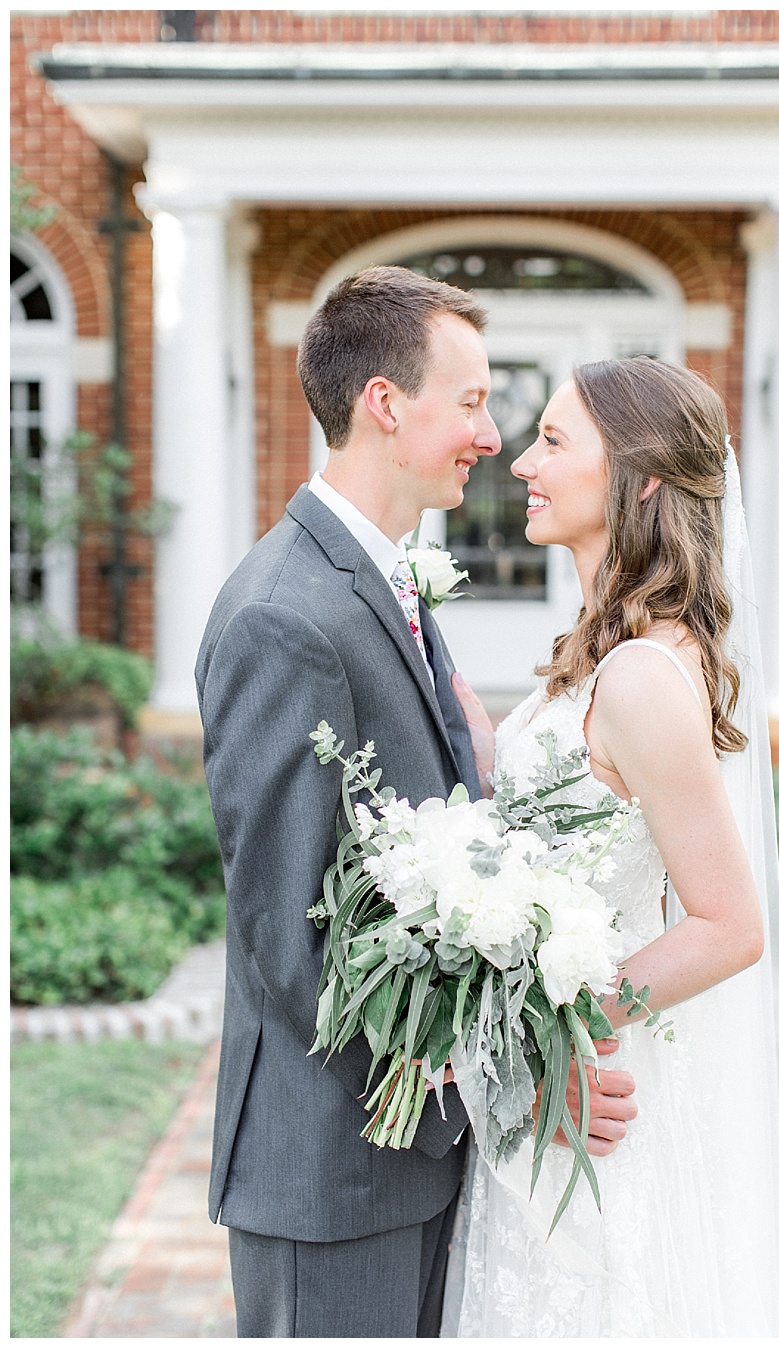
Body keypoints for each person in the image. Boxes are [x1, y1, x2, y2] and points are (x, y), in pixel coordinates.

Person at [196, 266, 637, 1337]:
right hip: (332, 1171)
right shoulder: (284, 614)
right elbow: (291, 930)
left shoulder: (388, 576)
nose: (492, 436)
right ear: (387, 405)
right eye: (475, 399)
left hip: (415, 1156)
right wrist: (506, 1072)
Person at [443, 357, 779, 1336]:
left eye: (555, 440)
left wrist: (552, 1033)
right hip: (562, 1095)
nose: (522, 459)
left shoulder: (645, 671)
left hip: (596, 1094)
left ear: (643, 477)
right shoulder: (610, 646)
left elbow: (730, 925)